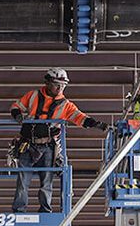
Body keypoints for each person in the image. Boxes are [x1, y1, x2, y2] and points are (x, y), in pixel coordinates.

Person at [9, 68, 108, 212]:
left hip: (49, 146)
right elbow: (16, 106)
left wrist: (96, 124)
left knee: (47, 181)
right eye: (57, 84)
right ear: (48, 83)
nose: (60, 88)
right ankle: (19, 210)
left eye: (63, 85)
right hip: (28, 144)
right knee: (23, 180)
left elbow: (79, 117)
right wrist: (18, 116)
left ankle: (45, 210)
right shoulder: (33, 95)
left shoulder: (65, 105)